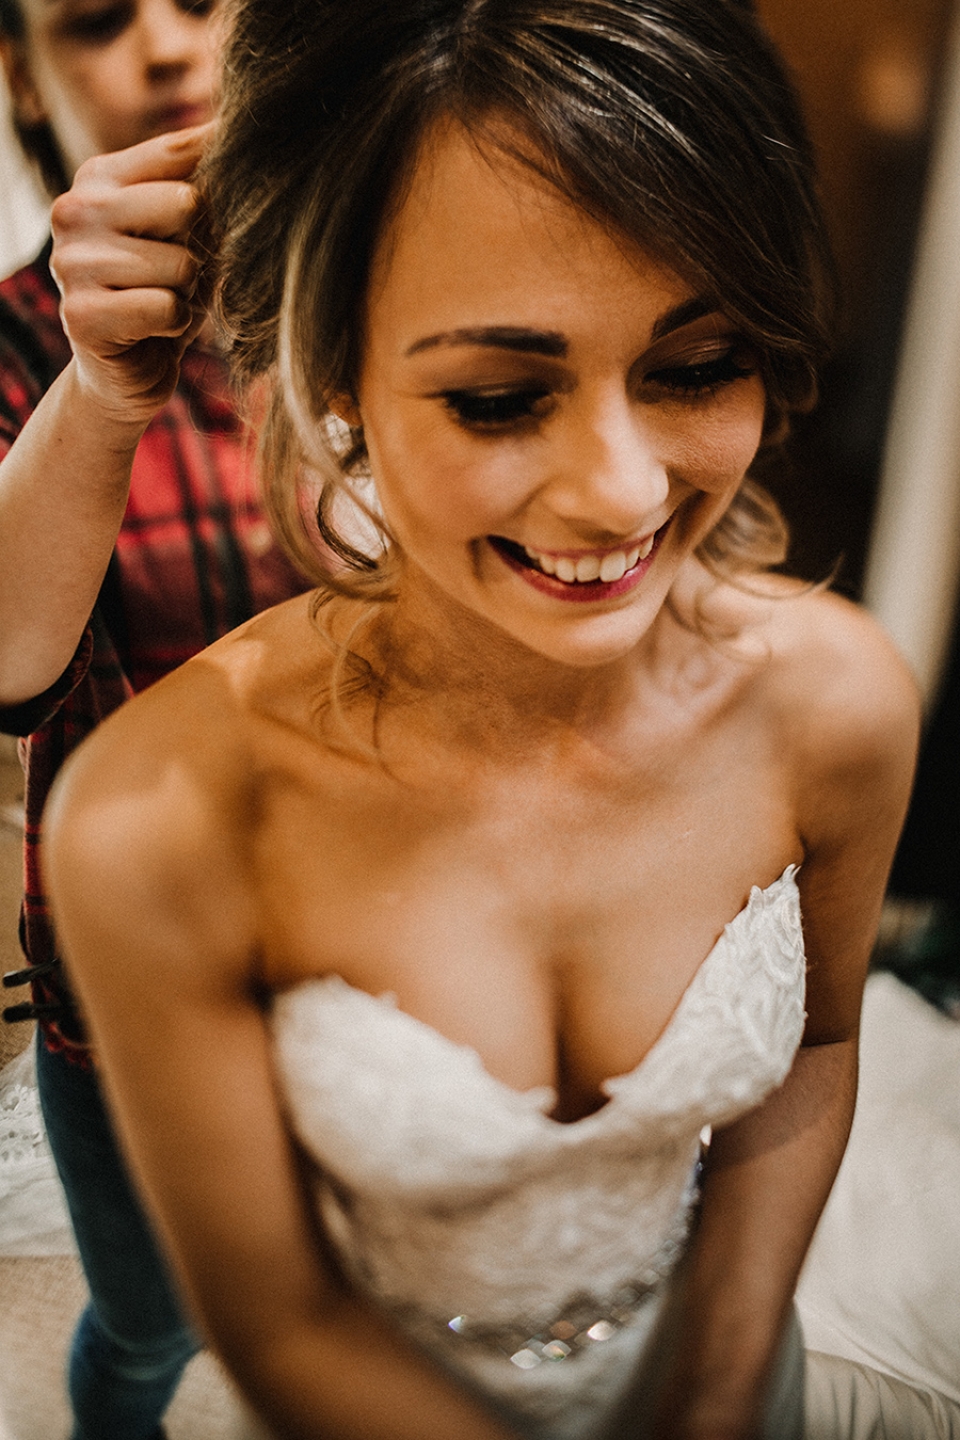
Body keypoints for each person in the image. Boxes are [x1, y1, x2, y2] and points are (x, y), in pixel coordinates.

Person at [43, 1, 920, 1437]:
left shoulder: (836, 707)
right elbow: (275, 1319)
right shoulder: (163, 814)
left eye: (696, 368)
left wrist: (713, 1387)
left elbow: (814, 1052)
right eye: (503, 398)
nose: (624, 493)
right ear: (335, 386)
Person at [0, 1, 305, 1436]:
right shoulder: (9, 342)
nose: (171, 52)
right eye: (102, 18)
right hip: (121, 1011)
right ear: (23, 72)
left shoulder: (355, 303)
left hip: (386, 966)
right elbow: (5, 661)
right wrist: (103, 385)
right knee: (143, 1328)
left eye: (204, 1)